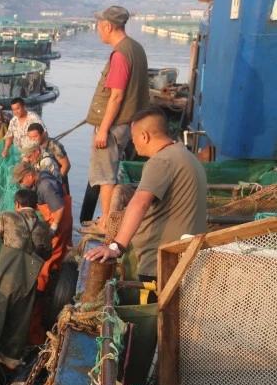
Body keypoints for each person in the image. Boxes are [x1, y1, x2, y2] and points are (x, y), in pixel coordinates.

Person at [85, 108, 207, 280]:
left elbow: (140, 203)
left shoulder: (161, 161)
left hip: (161, 266)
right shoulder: (186, 156)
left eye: (133, 138)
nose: (133, 143)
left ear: (144, 136)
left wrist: (116, 247)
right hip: (188, 259)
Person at [0, 189, 52, 375]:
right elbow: (47, 252)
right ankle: (11, 358)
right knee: (21, 318)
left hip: (7, 273)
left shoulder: (7, 216)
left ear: (17, 204)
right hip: (29, 275)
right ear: (36, 206)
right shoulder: (44, 226)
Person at [86, 5, 151, 232]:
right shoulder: (136, 48)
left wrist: (103, 129)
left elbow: (116, 96)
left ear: (108, 26)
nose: (98, 30)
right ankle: (107, 219)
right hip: (128, 122)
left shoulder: (121, 54)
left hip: (114, 125)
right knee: (109, 172)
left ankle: (106, 222)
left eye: (99, 25)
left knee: (105, 176)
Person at [13, 159, 73, 343]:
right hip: (57, 221)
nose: (22, 184)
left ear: (30, 175)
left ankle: (40, 290)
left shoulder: (45, 185)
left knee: (48, 259)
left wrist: (54, 227)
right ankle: (53, 275)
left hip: (59, 222)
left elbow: (59, 208)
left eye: (22, 180)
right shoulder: (41, 179)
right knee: (55, 255)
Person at [26, 122, 71, 194]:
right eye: (30, 138)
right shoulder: (33, 147)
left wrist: (55, 182)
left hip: (55, 185)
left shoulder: (54, 145)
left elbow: (66, 165)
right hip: (40, 184)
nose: (33, 140)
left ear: (43, 134)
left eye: (35, 136)